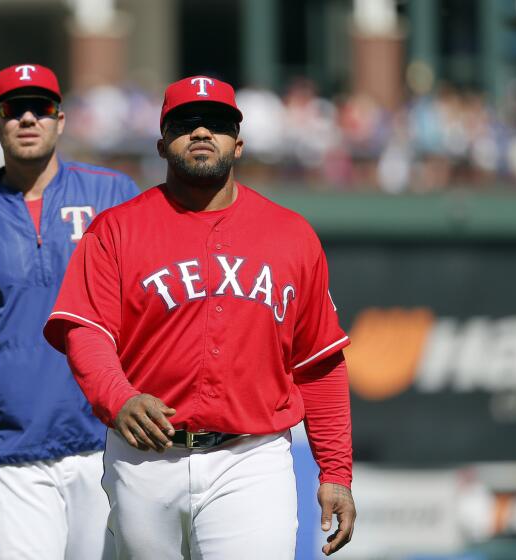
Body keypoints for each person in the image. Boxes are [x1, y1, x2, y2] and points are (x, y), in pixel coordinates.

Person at [43, 76, 357, 559]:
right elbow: (86, 332)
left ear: (239, 142)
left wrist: (334, 471)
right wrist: (117, 397)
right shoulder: (117, 230)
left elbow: (318, 361)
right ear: (162, 143)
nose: (203, 132)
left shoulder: (291, 235)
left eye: (218, 123)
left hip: (251, 455)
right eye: (186, 123)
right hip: (145, 454)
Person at [0, 63, 139, 560]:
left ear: (62, 119)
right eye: (15, 109)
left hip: (106, 440)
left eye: (43, 108)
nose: (29, 119)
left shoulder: (115, 196)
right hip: (9, 451)